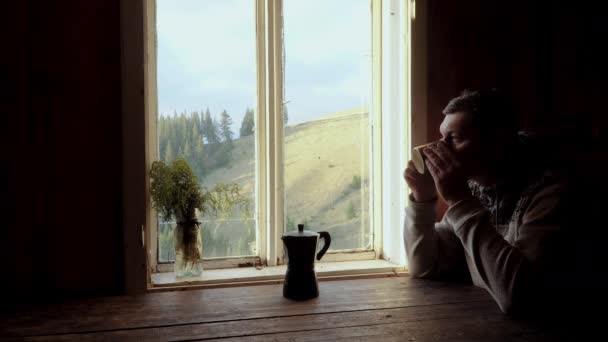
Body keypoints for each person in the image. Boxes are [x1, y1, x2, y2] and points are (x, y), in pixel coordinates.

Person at [403, 89, 574, 316]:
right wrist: (422, 200)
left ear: (497, 141)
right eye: (442, 136)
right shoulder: (478, 188)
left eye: (453, 138)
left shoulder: (551, 192)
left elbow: (520, 296)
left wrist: (459, 200)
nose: (440, 147)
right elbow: (424, 268)